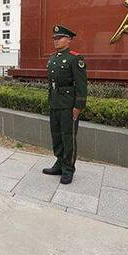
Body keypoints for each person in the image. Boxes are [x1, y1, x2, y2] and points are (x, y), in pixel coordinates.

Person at [42, 25, 87, 185]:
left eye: (59, 38)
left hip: (68, 105)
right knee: (56, 135)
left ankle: (68, 169)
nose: (56, 41)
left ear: (68, 39)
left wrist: (78, 106)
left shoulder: (75, 58)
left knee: (68, 137)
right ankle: (59, 163)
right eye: (54, 38)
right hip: (55, 102)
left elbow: (81, 85)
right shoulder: (53, 58)